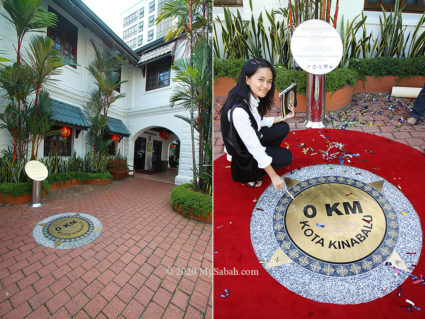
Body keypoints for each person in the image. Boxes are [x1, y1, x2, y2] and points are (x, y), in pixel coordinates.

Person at [220, 58, 294, 190]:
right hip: (242, 154)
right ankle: (250, 174)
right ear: (247, 79)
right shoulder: (239, 111)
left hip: (248, 142)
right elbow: (254, 146)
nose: (265, 86)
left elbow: (256, 121)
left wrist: (283, 118)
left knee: (282, 127)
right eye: (261, 79)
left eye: (269, 81)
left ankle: (262, 161)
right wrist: (273, 175)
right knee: (286, 157)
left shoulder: (245, 94)